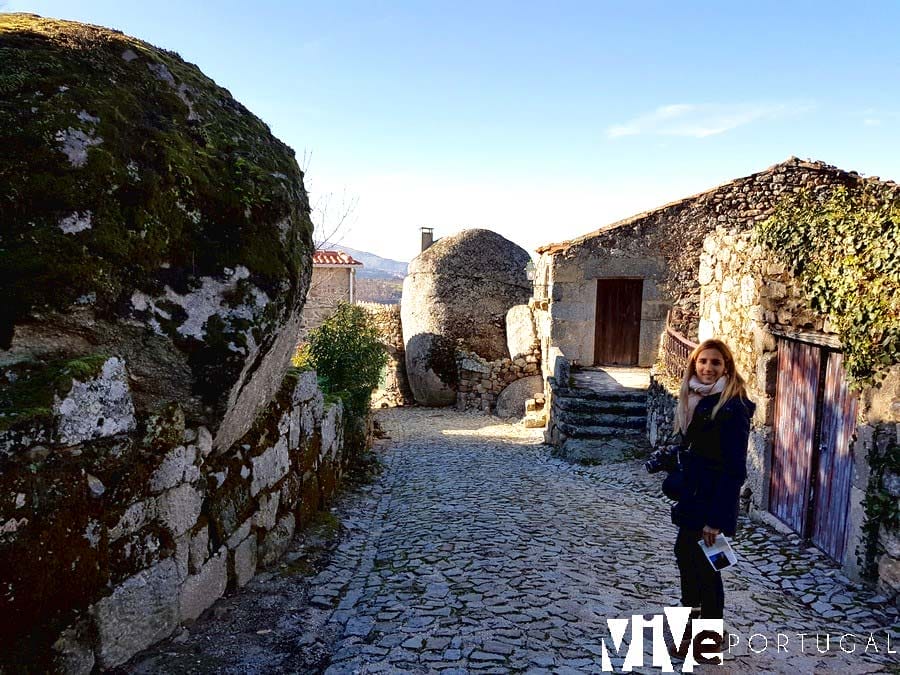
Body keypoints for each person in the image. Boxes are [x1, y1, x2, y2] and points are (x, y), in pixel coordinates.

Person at [670, 338, 755, 649]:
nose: (707, 367)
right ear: (694, 364)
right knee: (686, 559)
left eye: (715, 363)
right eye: (702, 361)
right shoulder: (693, 398)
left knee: (706, 568)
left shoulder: (732, 407)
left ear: (726, 367)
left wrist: (716, 520)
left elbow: (734, 469)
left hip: (711, 503)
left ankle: (709, 638)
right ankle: (691, 631)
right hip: (692, 497)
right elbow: (693, 447)